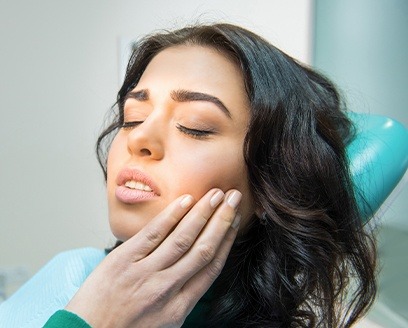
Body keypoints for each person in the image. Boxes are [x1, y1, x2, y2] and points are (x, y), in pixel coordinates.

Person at [0, 23, 377, 327]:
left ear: (269, 185)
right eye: (132, 118)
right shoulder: (69, 272)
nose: (140, 138)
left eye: (195, 126)